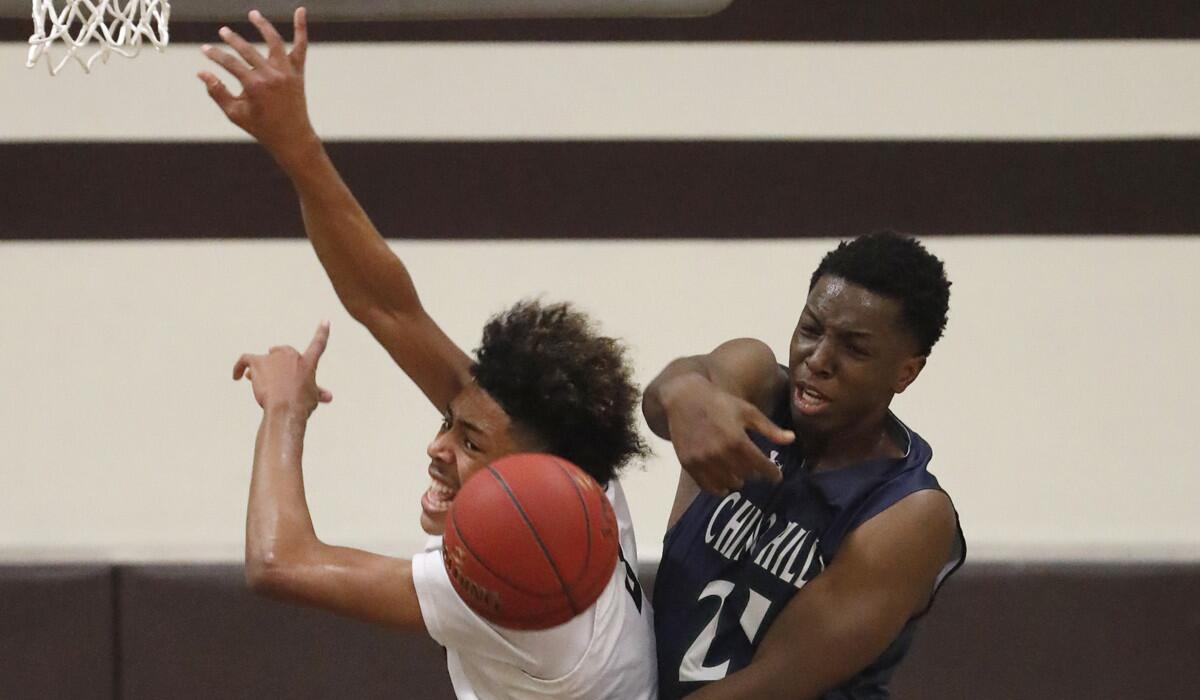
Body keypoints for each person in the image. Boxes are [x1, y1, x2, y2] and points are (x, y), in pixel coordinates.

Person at [205, 8, 657, 699]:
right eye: (451, 421)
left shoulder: (518, 585)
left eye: (470, 441)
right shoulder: (580, 484)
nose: (436, 447)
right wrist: (296, 146)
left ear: (536, 474)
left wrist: (282, 411)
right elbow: (388, 307)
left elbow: (279, 563)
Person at [643, 232, 966, 699]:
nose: (816, 360)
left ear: (905, 372)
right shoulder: (754, 382)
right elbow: (671, 393)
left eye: (854, 349)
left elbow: (769, 687)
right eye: (811, 330)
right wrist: (684, 393)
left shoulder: (909, 514)